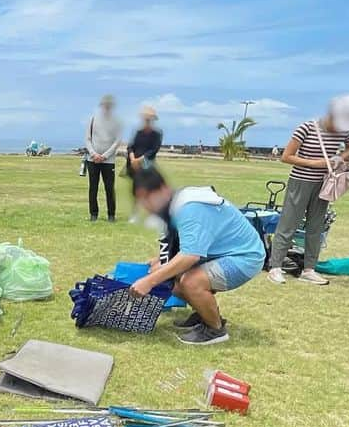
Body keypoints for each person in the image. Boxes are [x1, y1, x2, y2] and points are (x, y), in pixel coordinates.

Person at [127, 167, 265, 346]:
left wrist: (149, 281)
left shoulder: (189, 208)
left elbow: (190, 256)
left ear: (164, 190)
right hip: (219, 254)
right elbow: (183, 246)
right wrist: (158, 263)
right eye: (141, 200)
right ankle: (204, 314)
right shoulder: (173, 205)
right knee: (166, 276)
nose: (146, 206)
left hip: (245, 257)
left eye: (147, 198)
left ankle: (215, 330)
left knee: (190, 282)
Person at [267, 94, 349, 286]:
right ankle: (275, 266)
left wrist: (340, 157)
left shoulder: (345, 130)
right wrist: (314, 163)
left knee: (316, 227)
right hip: (301, 181)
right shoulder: (307, 127)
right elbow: (286, 156)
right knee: (289, 224)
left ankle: (309, 268)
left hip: (325, 183)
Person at [85, 94, 122, 222]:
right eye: (105, 105)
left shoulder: (117, 121)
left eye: (109, 106)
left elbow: (117, 141)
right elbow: (88, 139)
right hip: (92, 160)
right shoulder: (93, 119)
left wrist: (105, 156)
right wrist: (93, 154)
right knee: (93, 188)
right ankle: (93, 214)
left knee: (109, 188)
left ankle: (111, 215)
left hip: (109, 161)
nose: (107, 108)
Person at [125, 105, 163, 222]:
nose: (147, 121)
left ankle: (153, 215)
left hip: (147, 164)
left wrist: (139, 160)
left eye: (149, 119)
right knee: (136, 189)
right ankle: (135, 214)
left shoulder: (157, 133)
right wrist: (132, 159)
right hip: (134, 165)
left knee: (150, 190)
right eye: (145, 119)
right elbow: (130, 146)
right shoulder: (138, 132)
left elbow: (153, 150)